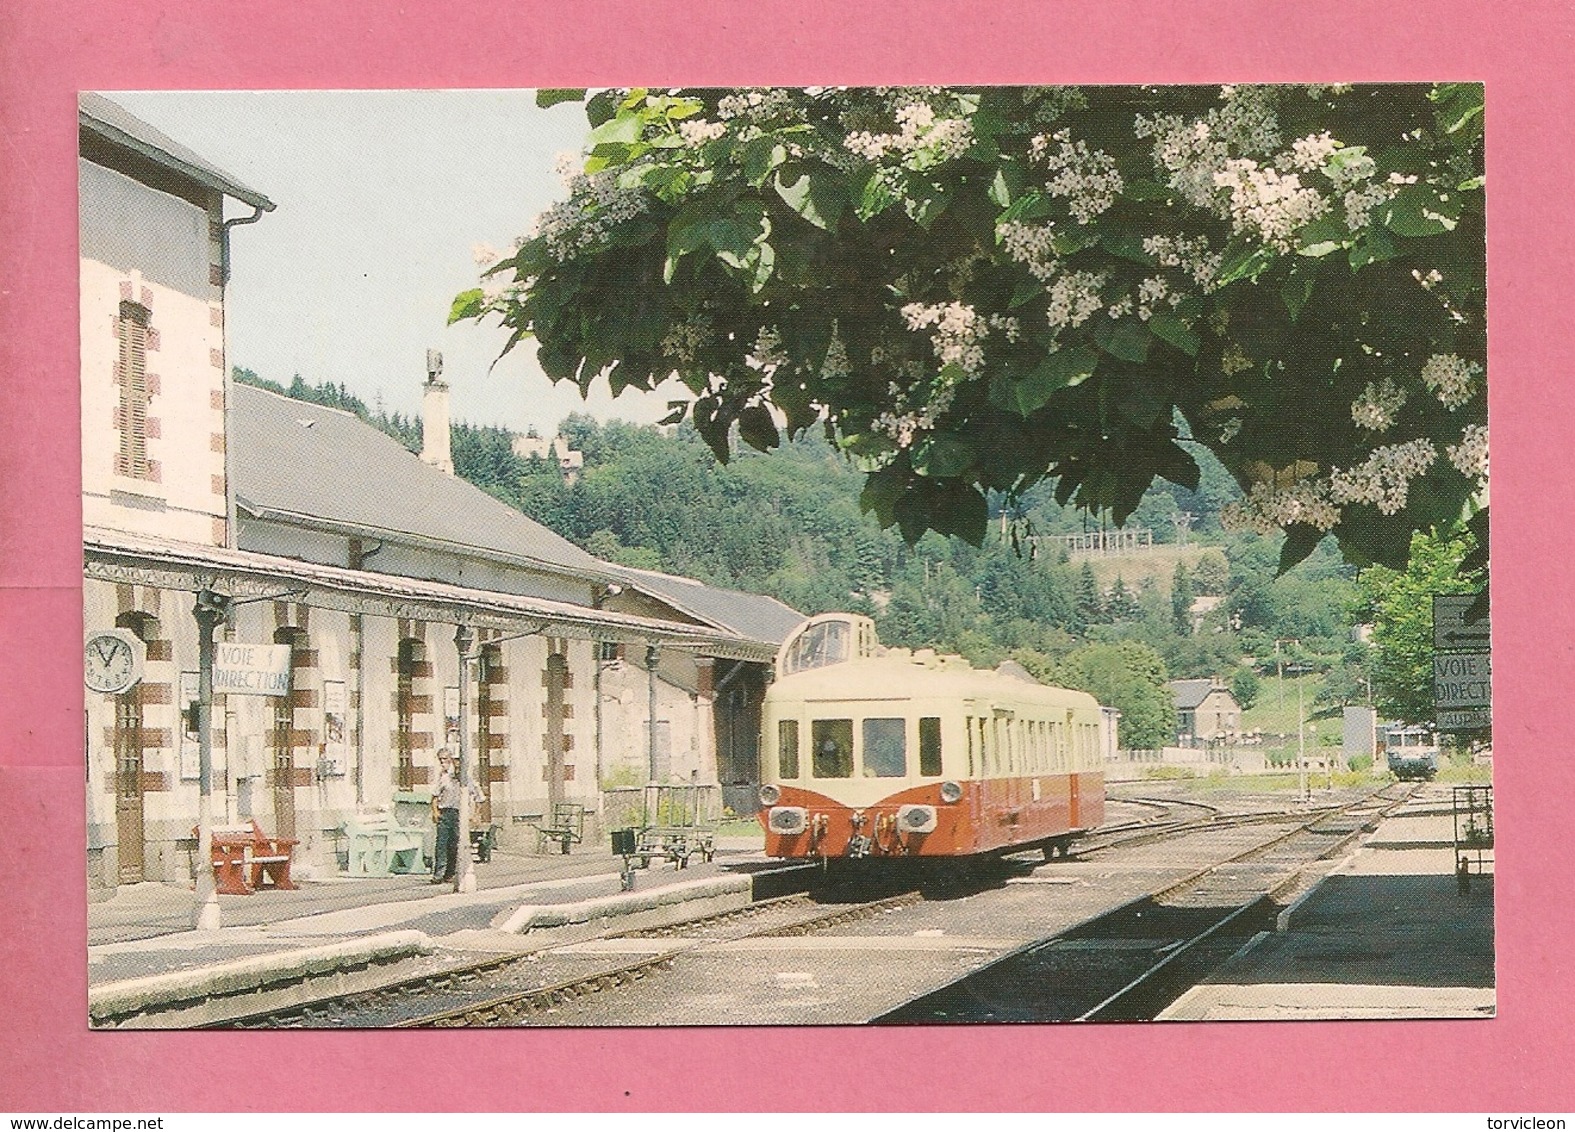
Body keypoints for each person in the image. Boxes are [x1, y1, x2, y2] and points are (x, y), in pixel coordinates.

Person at [429, 748, 481, 884]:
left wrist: (475, 815)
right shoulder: (445, 778)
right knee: (441, 845)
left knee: (454, 845)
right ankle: (438, 874)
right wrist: (435, 812)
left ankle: (450, 873)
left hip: (459, 814)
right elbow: (434, 796)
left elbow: (479, 797)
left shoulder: (467, 781)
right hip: (445, 813)